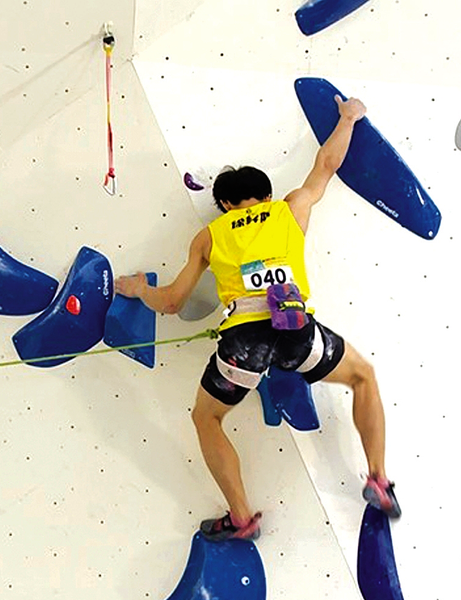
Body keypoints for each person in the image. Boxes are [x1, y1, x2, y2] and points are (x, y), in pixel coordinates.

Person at [115, 95, 400, 542]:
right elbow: (327, 164)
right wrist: (347, 118)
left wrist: (136, 289)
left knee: (207, 419)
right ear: (266, 195)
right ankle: (379, 480)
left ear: (225, 204)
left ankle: (242, 517)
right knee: (363, 376)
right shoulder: (291, 208)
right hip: (297, 333)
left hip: (242, 345)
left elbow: (170, 302)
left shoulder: (208, 237)